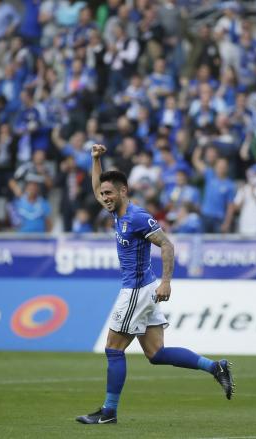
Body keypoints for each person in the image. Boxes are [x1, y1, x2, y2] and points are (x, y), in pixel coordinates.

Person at [76, 144, 234, 425]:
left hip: (137, 289)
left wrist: (167, 282)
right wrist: (96, 159)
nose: (104, 198)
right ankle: (215, 367)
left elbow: (167, 244)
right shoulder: (116, 211)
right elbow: (96, 186)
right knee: (156, 353)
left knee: (113, 348)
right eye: (103, 194)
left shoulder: (137, 217)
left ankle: (109, 412)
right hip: (142, 288)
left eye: (109, 193)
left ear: (124, 191)